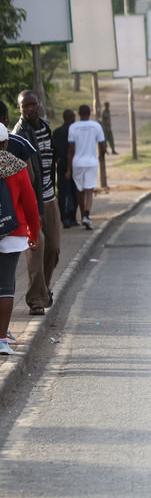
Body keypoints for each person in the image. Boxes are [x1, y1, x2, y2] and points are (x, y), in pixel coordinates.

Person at [13, 91, 60, 317]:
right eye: (25, 106)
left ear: (39, 104)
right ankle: (35, 300)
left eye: (33, 104)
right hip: (32, 201)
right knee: (36, 250)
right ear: (20, 109)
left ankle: (44, 289)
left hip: (51, 198)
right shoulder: (19, 134)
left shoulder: (45, 126)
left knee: (54, 248)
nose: (30, 109)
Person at [0, 126, 40, 356]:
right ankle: (2, 339)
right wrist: (33, 234)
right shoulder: (17, 166)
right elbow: (30, 204)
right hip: (12, 234)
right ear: (6, 143)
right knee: (5, 287)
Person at [66, 104, 106, 230]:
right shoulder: (96, 126)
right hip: (91, 162)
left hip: (77, 163)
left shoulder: (73, 127)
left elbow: (71, 150)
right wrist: (101, 156)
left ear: (78, 114)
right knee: (89, 191)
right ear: (90, 113)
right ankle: (86, 216)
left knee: (80, 190)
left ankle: (83, 214)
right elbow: (102, 145)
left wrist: (68, 168)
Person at [52, 109, 78, 229]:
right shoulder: (75, 131)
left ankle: (64, 219)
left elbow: (54, 150)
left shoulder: (56, 132)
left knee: (63, 192)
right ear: (72, 117)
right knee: (74, 191)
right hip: (75, 164)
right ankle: (73, 218)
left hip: (61, 165)